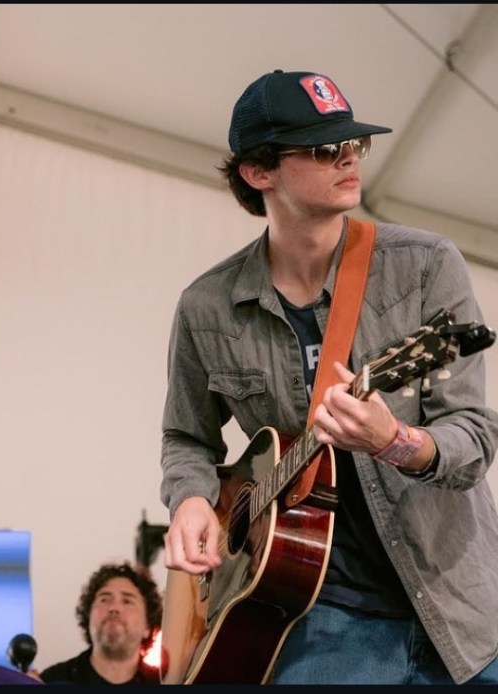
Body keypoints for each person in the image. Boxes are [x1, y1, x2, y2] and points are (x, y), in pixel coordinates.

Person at [160, 69, 498, 685]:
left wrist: (395, 441)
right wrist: (190, 501)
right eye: (322, 149)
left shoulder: (425, 265)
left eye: (354, 143)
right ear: (258, 172)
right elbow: (187, 438)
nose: (349, 158)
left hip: (459, 602)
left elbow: (473, 438)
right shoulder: (206, 307)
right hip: (316, 614)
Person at [36, 562, 162, 685]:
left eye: (127, 601)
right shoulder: (51, 681)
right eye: (104, 599)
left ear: (147, 626)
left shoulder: (163, 683)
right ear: (88, 616)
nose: (114, 607)